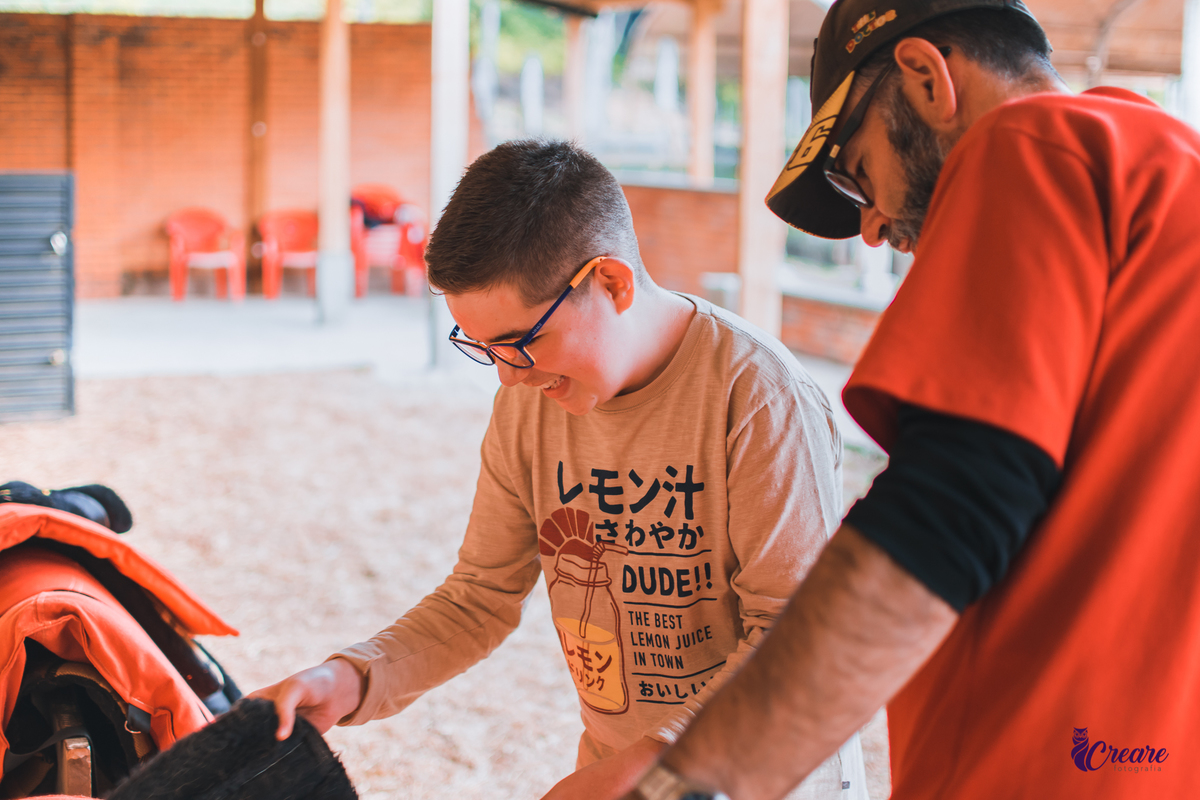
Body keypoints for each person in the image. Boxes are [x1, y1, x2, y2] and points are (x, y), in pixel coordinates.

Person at [621, 0, 1200, 798]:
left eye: (856, 172)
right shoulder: (1168, 170)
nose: (871, 227)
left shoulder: (1031, 145)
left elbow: (949, 510)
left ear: (926, 77)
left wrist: (690, 783)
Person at [252, 140, 866, 799]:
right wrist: (350, 680)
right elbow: (479, 597)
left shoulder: (759, 399)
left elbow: (800, 642)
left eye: (522, 343)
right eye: (484, 349)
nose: (511, 378)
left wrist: (647, 769)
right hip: (623, 772)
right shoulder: (529, 405)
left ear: (611, 283)